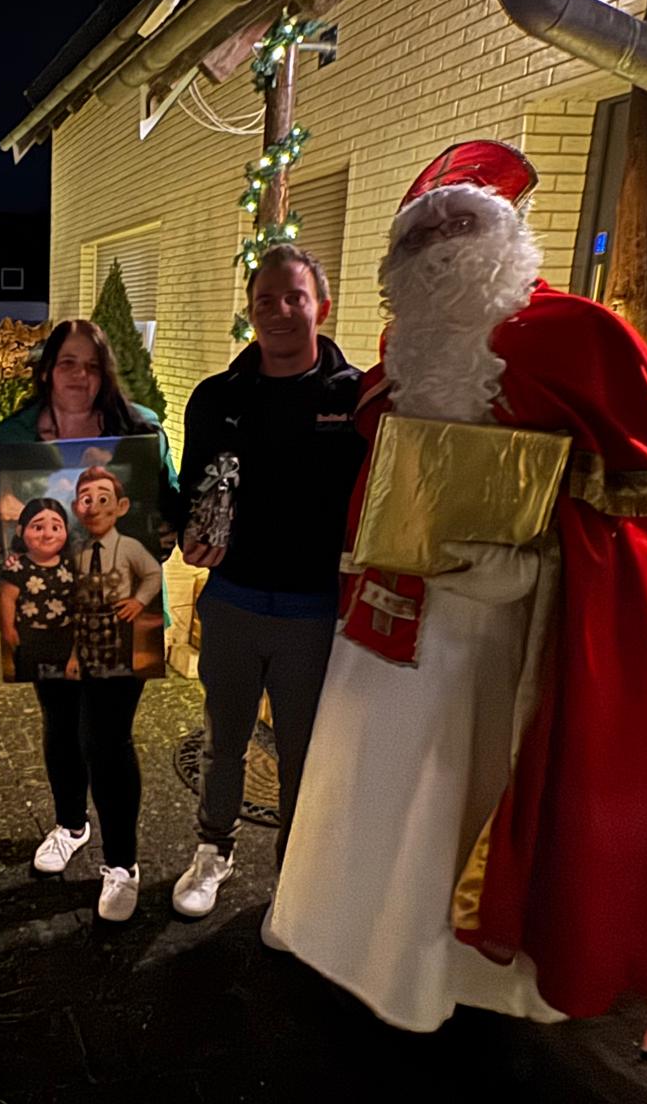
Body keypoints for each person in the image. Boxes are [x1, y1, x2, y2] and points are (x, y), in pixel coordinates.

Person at [265, 141, 647, 1032]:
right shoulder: (404, 347)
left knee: (450, 797)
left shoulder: (584, 338)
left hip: (495, 631)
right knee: (374, 783)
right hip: (387, 621)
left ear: (503, 237)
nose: (441, 250)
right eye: (421, 240)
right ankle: (352, 943)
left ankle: (443, 976)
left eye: (461, 230)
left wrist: (531, 563)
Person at [171, 244, 365, 919]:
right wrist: (187, 534)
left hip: (316, 613)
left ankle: (296, 881)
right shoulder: (217, 397)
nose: (279, 311)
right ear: (250, 311)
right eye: (265, 300)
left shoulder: (357, 399)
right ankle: (212, 849)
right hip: (233, 601)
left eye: (294, 297)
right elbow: (194, 489)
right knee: (222, 741)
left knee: (303, 754)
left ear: (322, 307)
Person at [0, 318, 178, 922]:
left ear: (106, 373)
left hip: (118, 620)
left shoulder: (140, 430)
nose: (79, 375)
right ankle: (71, 824)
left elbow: (168, 508)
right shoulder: (13, 435)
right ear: (48, 370)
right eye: (68, 363)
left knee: (107, 736)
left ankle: (122, 863)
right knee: (61, 723)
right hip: (46, 617)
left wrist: (167, 531)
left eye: (92, 365)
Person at [70, 466, 162, 679]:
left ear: (121, 506)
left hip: (119, 622)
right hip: (83, 624)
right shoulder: (76, 550)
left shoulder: (129, 546)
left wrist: (139, 601)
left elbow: (153, 574)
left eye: (103, 499)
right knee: (85, 670)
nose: (94, 510)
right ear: (76, 509)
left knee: (118, 674)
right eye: (86, 500)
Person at [0, 497, 78, 682]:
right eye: (38, 527)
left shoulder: (70, 564)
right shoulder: (16, 567)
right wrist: (8, 629)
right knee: (29, 679)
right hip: (29, 637)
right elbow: (7, 598)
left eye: (56, 528)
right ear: (20, 530)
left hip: (64, 635)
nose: (48, 534)